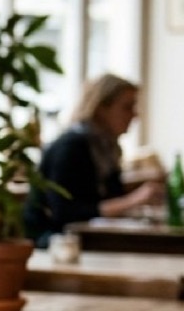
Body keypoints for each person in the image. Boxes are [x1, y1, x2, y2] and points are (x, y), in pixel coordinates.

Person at [22, 74, 163, 246]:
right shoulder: (71, 147)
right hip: (52, 241)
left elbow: (110, 196)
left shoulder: (106, 148)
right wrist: (134, 200)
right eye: (127, 107)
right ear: (101, 109)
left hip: (84, 238)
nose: (135, 115)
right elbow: (65, 214)